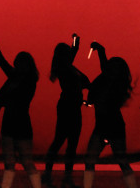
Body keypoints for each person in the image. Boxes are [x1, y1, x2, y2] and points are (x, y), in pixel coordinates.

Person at [84, 42, 137, 188]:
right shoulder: (112, 82)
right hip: (110, 125)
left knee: (93, 160)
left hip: (108, 126)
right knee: (120, 161)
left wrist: (101, 51)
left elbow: (93, 95)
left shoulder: (111, 82)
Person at [0, 39, 41, 188]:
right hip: (14, 121)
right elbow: (3, 63)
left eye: (20, 63)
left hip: (18, 122)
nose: (18, 65)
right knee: (11, 161)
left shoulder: (28, 81)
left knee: (24, 160)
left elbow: (18, 98)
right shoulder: (20, 78)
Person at [42, 34, 90, 188]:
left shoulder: (65, 66)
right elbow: (74, 53)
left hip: (71, 105)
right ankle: (59, 176)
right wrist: (75, 41)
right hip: (69, 106)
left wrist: (75, 41)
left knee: (65, 142)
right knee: (64, 141)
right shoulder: (65, 67)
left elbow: (74, 51)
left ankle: (52, 175)